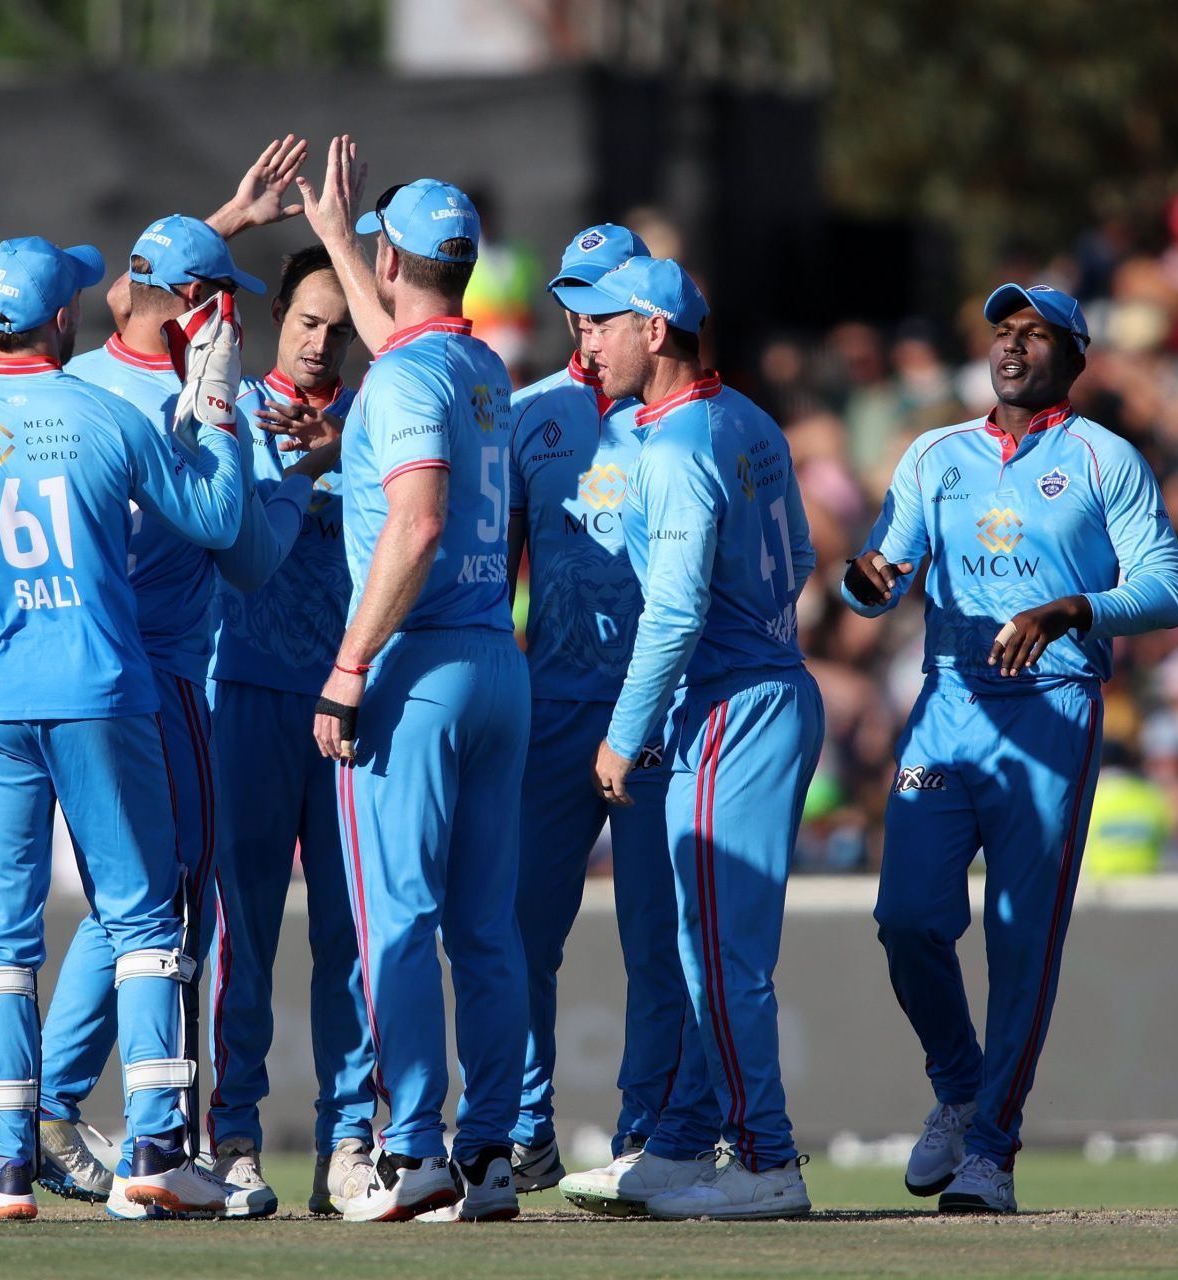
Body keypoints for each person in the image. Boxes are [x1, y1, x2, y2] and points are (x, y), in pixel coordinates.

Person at [0, 235, 252, 1221]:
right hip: (102, 690)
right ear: (61, 320)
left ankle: (0, 1171)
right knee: (144, 917)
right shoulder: (107, 414)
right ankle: (157, 1146)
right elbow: (215, 515)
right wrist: (218, 407)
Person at [842, 282, 1178, 1213]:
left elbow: (1168, 587)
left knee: (1018, 935)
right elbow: (883, 572)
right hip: (949, 701)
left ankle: (992, 1147)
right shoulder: (935, 452)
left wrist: (1078, 608)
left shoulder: (1102, 460)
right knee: (908, 917)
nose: (1013, 348)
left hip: (1051, 706)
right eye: (1004, 332)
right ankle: (959, 1086)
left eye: (1037, 336)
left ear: (1074, 359)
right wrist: (868, 577)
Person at [34, 135, 336, 1218]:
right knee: (167, 909)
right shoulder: (208, 404)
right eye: (230, 302)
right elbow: (247, 554)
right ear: (202, 307)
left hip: (49, 679)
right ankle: (150, 1138)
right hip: (163, 680)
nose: (243, 323)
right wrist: (305, 473)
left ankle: (48, 1102)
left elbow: (137, 294)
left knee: (113, 907)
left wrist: (231, 222)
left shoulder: (70, 380)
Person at [300, 145, 528, 1223]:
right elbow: (406, 346)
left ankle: (412, 1149)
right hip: (496, 663)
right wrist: (348, 243)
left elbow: (418, 518)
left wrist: (348, 666)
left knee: (395, 921)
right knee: (484, 929)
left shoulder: (400, 375)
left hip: (416, 668)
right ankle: (489, 1155)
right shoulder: (480, 368)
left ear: (398, 259)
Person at [588, 255, 821, 1222]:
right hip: (764, 689)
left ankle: (767, 1158)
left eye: (601, 321)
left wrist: (621, 735)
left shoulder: (678, 447)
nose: (585, 339)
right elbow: (801, 555)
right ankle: (683, 1143)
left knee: (722, 957)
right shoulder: (749, 420)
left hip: (732, 708)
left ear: (652, 329)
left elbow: (675, 617)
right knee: (703, 951)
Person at [503, 225, 719, 1214]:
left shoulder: (685, 422)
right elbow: (492, 561)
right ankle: (522, 1126)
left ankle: (645, 1131)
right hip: (551, 709)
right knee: (516, 929)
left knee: (656, 935)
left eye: (598, 303)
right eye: (572, 303)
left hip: (657, 714)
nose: (581, 324)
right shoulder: (528, 416)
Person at [203, 245, 378, 1216]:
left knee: (353, 937)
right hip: (250, 699)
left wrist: (342, 453)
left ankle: (348, 1140)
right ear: (278, 318)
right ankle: (233, 1134)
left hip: (347, 707)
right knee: (246, 936)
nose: (319, 342)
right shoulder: (232, 414)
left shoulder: (381, 424)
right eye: (307, 321)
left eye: (338, 326)